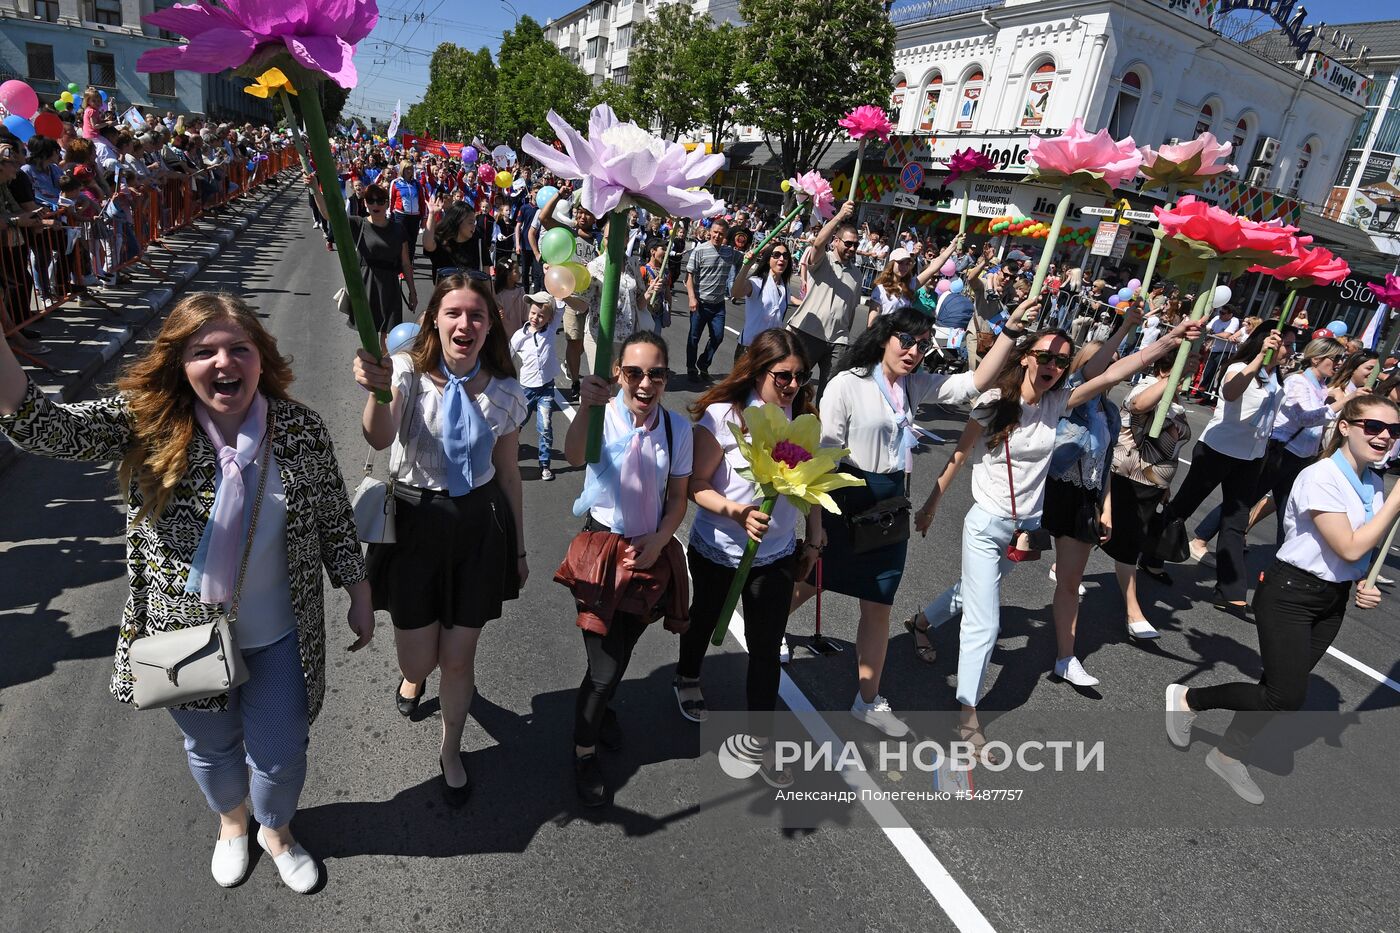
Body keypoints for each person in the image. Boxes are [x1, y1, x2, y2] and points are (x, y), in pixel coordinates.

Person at [0, 292, 371, 892]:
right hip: (183, 639)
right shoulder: (149, 423)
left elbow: (331, 511)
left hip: (280, 635)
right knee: (212, 748)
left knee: (280, 755)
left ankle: (275, 830)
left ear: (260, 358)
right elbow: (47, 429)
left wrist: (356, 585)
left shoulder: (298, 428)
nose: (224, 363)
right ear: (179, 363)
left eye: (238, 349)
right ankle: (232, 823)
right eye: (204, 351)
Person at [907, 313, 1199, 753]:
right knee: (985, 624)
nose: (1052, 365)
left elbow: (1118, 371)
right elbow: (960, 454)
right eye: (1044, 356)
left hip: (1022, 530)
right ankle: (966, 712)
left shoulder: (1057, 402)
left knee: (972, 592)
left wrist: (1170, 340)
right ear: (1026, 358)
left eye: (1061, 361)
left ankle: (921, 621)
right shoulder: (995, 402)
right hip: (986, 524)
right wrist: (931, 503)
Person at [791, 299, 1034, 737]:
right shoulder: (846, 384)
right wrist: (816, 523)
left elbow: (973, 383)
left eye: (922, 345)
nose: (914, 351)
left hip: (891, 507)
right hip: (848, 499)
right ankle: (766, 629)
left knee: (879, 603)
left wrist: (1010, 334)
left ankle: (867, 700)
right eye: (907, 340)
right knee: (814, 579)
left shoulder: (913, 386)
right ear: (885, 337)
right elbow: (824, 454)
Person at [1166, 394, 1400, 804]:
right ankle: (1188, 698)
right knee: (1285, 695)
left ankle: (1227, 754)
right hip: (1290, 592)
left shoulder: (1373, 482)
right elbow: (1346, 545)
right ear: (1345, 427)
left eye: (1394, 431)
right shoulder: (1321, 476)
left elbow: (1355, 555)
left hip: (1332, 599)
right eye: (1374, 427)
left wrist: (1365, 581)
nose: (1385, 436)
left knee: (1274, 685)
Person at [352, 273, 528, 807]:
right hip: (412, 524)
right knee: (417, 660)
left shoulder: (504, 389)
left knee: (458, 657)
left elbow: (509, 475)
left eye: (477, 314)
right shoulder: (405, 372)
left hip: (476, 529)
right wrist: (377, 390)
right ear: (434, 319)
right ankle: (412, 680)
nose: (465, 324)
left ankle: (451, 749)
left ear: (489, 325)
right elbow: (379, 437)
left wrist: (518, 548)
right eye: (454, 313)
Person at [675, 329, 825, 786]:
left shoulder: (801, 415)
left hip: (775, 553)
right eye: (783, 376)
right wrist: (737, 512)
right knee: (703, 617)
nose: (792, 386)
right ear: (758, 371)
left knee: (766, 647)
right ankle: (686, 676)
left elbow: (812, 484)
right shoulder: (721, 417)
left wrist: (815, 538)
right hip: (718, 548)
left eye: (800, 377)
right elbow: (695, 486)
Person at [562, 332, 692, 806]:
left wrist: (659, 542)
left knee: (626, 646)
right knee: (604, 666)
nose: (644, 383)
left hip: (648, 556)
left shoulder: (676, 430)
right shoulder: (605, 415)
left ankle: (603, 708)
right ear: (618, 372)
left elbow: (677, 499)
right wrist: (585, 407)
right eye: (634, 372)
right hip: (601, 554)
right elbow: (575, 456)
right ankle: (582, 750)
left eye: (656, 373)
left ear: (665, 377)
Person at [1154, 325, 1288, 620]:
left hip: (1251, 457)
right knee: (1184, 505)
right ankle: (1152, 555)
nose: (1287, 350)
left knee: (1236, 521)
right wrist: (1257, 361)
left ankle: (1231, 591)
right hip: (1218, 449)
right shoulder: (1240, 367)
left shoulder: (1277, 377)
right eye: (1283, 344)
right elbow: (1230, 393)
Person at [1101, 354, 1193, 640]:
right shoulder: (1147, 389)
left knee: (1118, 534)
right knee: (1128, 545)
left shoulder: (1174, 401)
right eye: (1186, 366)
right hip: (1128, 478)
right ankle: (1133, 612)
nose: (1191, 372)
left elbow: (1170, 448)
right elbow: (1139, 406)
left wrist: (1165, 485)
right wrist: (1171, 378)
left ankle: (1067, 564)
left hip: (1152, 484)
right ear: (1166, 369)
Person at [1263, 337, 1348, 545]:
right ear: (1316, 359)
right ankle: (1201, 537)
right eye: (1335, 358)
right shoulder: (1297, 382)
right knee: (1244, 500)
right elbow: (1306, 418)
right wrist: (1343, 402)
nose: (1338, 363)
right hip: (1283, 451)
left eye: (1342, 359)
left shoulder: (1321, 386)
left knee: (1289, 513)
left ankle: (1284, 556)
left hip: (1302, 457)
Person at [309, 178, 415, 334]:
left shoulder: (399, 229)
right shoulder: (358, 224)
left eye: (380, 200)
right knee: (369, 335)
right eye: (370, 200)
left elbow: (406, 264)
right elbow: (329, 215)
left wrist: (412, 291)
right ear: (365, 203)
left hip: (390, 288)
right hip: (366, 286)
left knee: (389, 335)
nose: (375, 204)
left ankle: (384, 360)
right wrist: (315, 189)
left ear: (387, 203)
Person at [787, 201, 861, 397]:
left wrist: (846, 336)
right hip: (808, 333)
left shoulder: (857, 274)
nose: (852, 248)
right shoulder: (824, 260)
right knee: (794, 384)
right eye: (848, 243)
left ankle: (821, 426)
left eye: (856, 244)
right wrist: (839, 217)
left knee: (830, 393)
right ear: (836, 241)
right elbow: (818, 243)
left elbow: (851, 309)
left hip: (838, 341)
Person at [684, 216, 741, 381]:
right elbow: (689, 277)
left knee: (718, 337)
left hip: (718, 305)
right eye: (715, 232)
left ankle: (703, 363)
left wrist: (753, 254)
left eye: (721, 234)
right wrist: (691, 298)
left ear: (725, 236)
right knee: (694, 338)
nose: (717, 236)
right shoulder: (700, 250)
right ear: (710, 232)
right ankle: (691, 368)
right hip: (700, 303)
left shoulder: (730, 252)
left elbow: (746, 258)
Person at [511, 291, 560, 481]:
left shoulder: (551, 328)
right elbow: (507, 356)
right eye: (532, 313)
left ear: (550, 318)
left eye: (541, 315)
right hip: (526, 389)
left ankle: (545, 464)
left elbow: (561, 302)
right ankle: (510, 451)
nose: (535, 318)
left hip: (547, 387)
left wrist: (552, 275)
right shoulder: (519, 335)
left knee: (545, 426)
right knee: (517, 425)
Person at [731, 243, 793, 362]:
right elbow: (736, 292)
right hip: (749, 348)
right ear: (768, 259)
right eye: (776, 255)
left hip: (772, 349)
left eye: (785, 256)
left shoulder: (785, 288)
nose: (782, 259)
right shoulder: (757, 283)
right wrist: (746, 267)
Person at [422, 196, 487, 281]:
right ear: (458, 222)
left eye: (474, 222)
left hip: (472, 293)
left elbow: (486, 278)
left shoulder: (479, 243)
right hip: (445, 292)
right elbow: (428, 245)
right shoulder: (441, 242)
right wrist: (432, 215)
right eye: (470, 222)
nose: (474, 226)